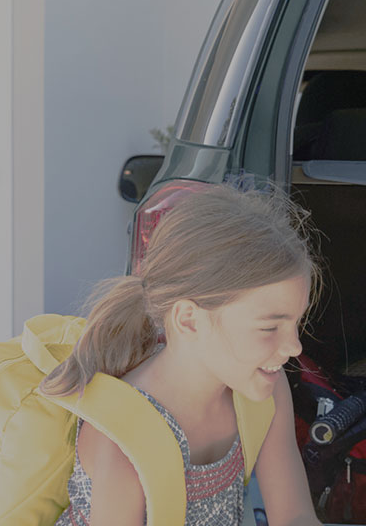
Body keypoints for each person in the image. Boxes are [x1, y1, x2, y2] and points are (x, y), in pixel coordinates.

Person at [40, 183, 324, 526]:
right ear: (189, 320)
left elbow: (294, 516)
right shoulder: (120, 439)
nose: (295, 347)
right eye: (269, 328)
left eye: (297, 322)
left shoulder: (264, 391)